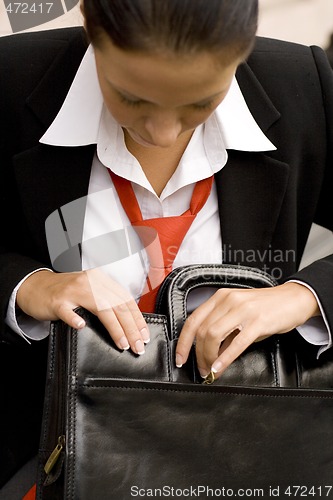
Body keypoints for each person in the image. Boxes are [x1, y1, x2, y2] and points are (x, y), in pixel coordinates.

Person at [1, 0, 333, 488]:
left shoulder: (305, 86)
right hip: (43, 458)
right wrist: (27, 287)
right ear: (90, 27)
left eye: (200, 102)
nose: (162, 133)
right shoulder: (10, 81)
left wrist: (305, 298)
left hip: (246, 455)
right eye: (131, 98)